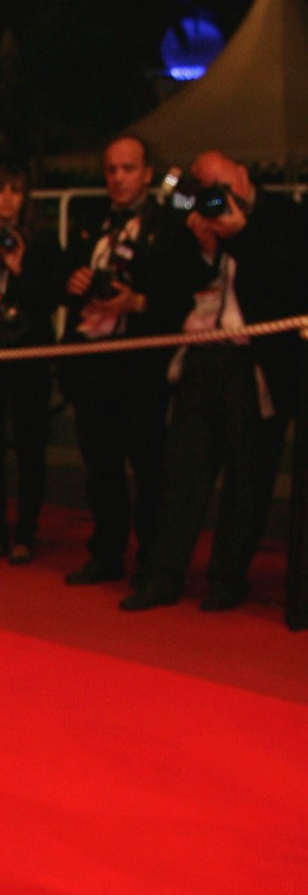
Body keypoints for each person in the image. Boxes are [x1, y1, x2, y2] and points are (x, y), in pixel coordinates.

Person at [121, 152, 307, 612]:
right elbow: (163, 282)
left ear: (242, 175)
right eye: (203, 187)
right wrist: (203, 249)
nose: (213, 197)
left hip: (254, 362)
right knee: (181, 473)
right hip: (200, 357)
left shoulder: (283, 216)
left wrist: (240, 236)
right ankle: (164, 575)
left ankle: (227, 578)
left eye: (218, 185)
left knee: (247, 478)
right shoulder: (186, 221)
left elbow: (288, 284)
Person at [61, 134, 194, 586]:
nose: (118, 179)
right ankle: (106, 552)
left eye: (128, 169)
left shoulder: (170, 226)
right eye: (111, 170)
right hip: (93, 364)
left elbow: (183, 292)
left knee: (150, 467)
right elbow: (62, 280)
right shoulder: (90, 222)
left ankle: (154, 561)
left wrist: (137, 302)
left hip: (142, 368)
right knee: (101, 467)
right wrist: (74, 282)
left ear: (147, 172)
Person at [0, 167, 60, 564]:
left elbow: (52, 296)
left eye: (15, 191)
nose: (7, 199)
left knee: (29, 445)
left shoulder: (41, 239)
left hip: (28, 355)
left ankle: (25, 533)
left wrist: (20, 271)